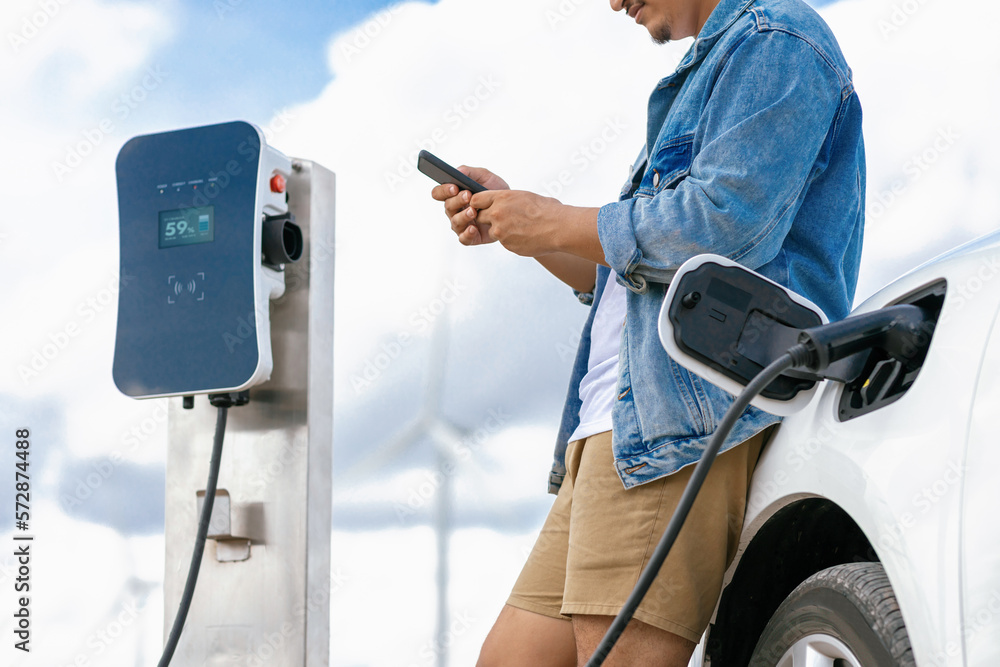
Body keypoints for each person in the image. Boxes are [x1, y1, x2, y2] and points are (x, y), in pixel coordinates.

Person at [430, 0, 864, 663]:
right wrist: (517, 225)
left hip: (673, 424)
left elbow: (722, 225)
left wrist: (550, 219)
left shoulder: (778, 40)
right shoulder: (710, 71)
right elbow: (632, 269)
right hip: (611, 428)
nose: (612, 2)